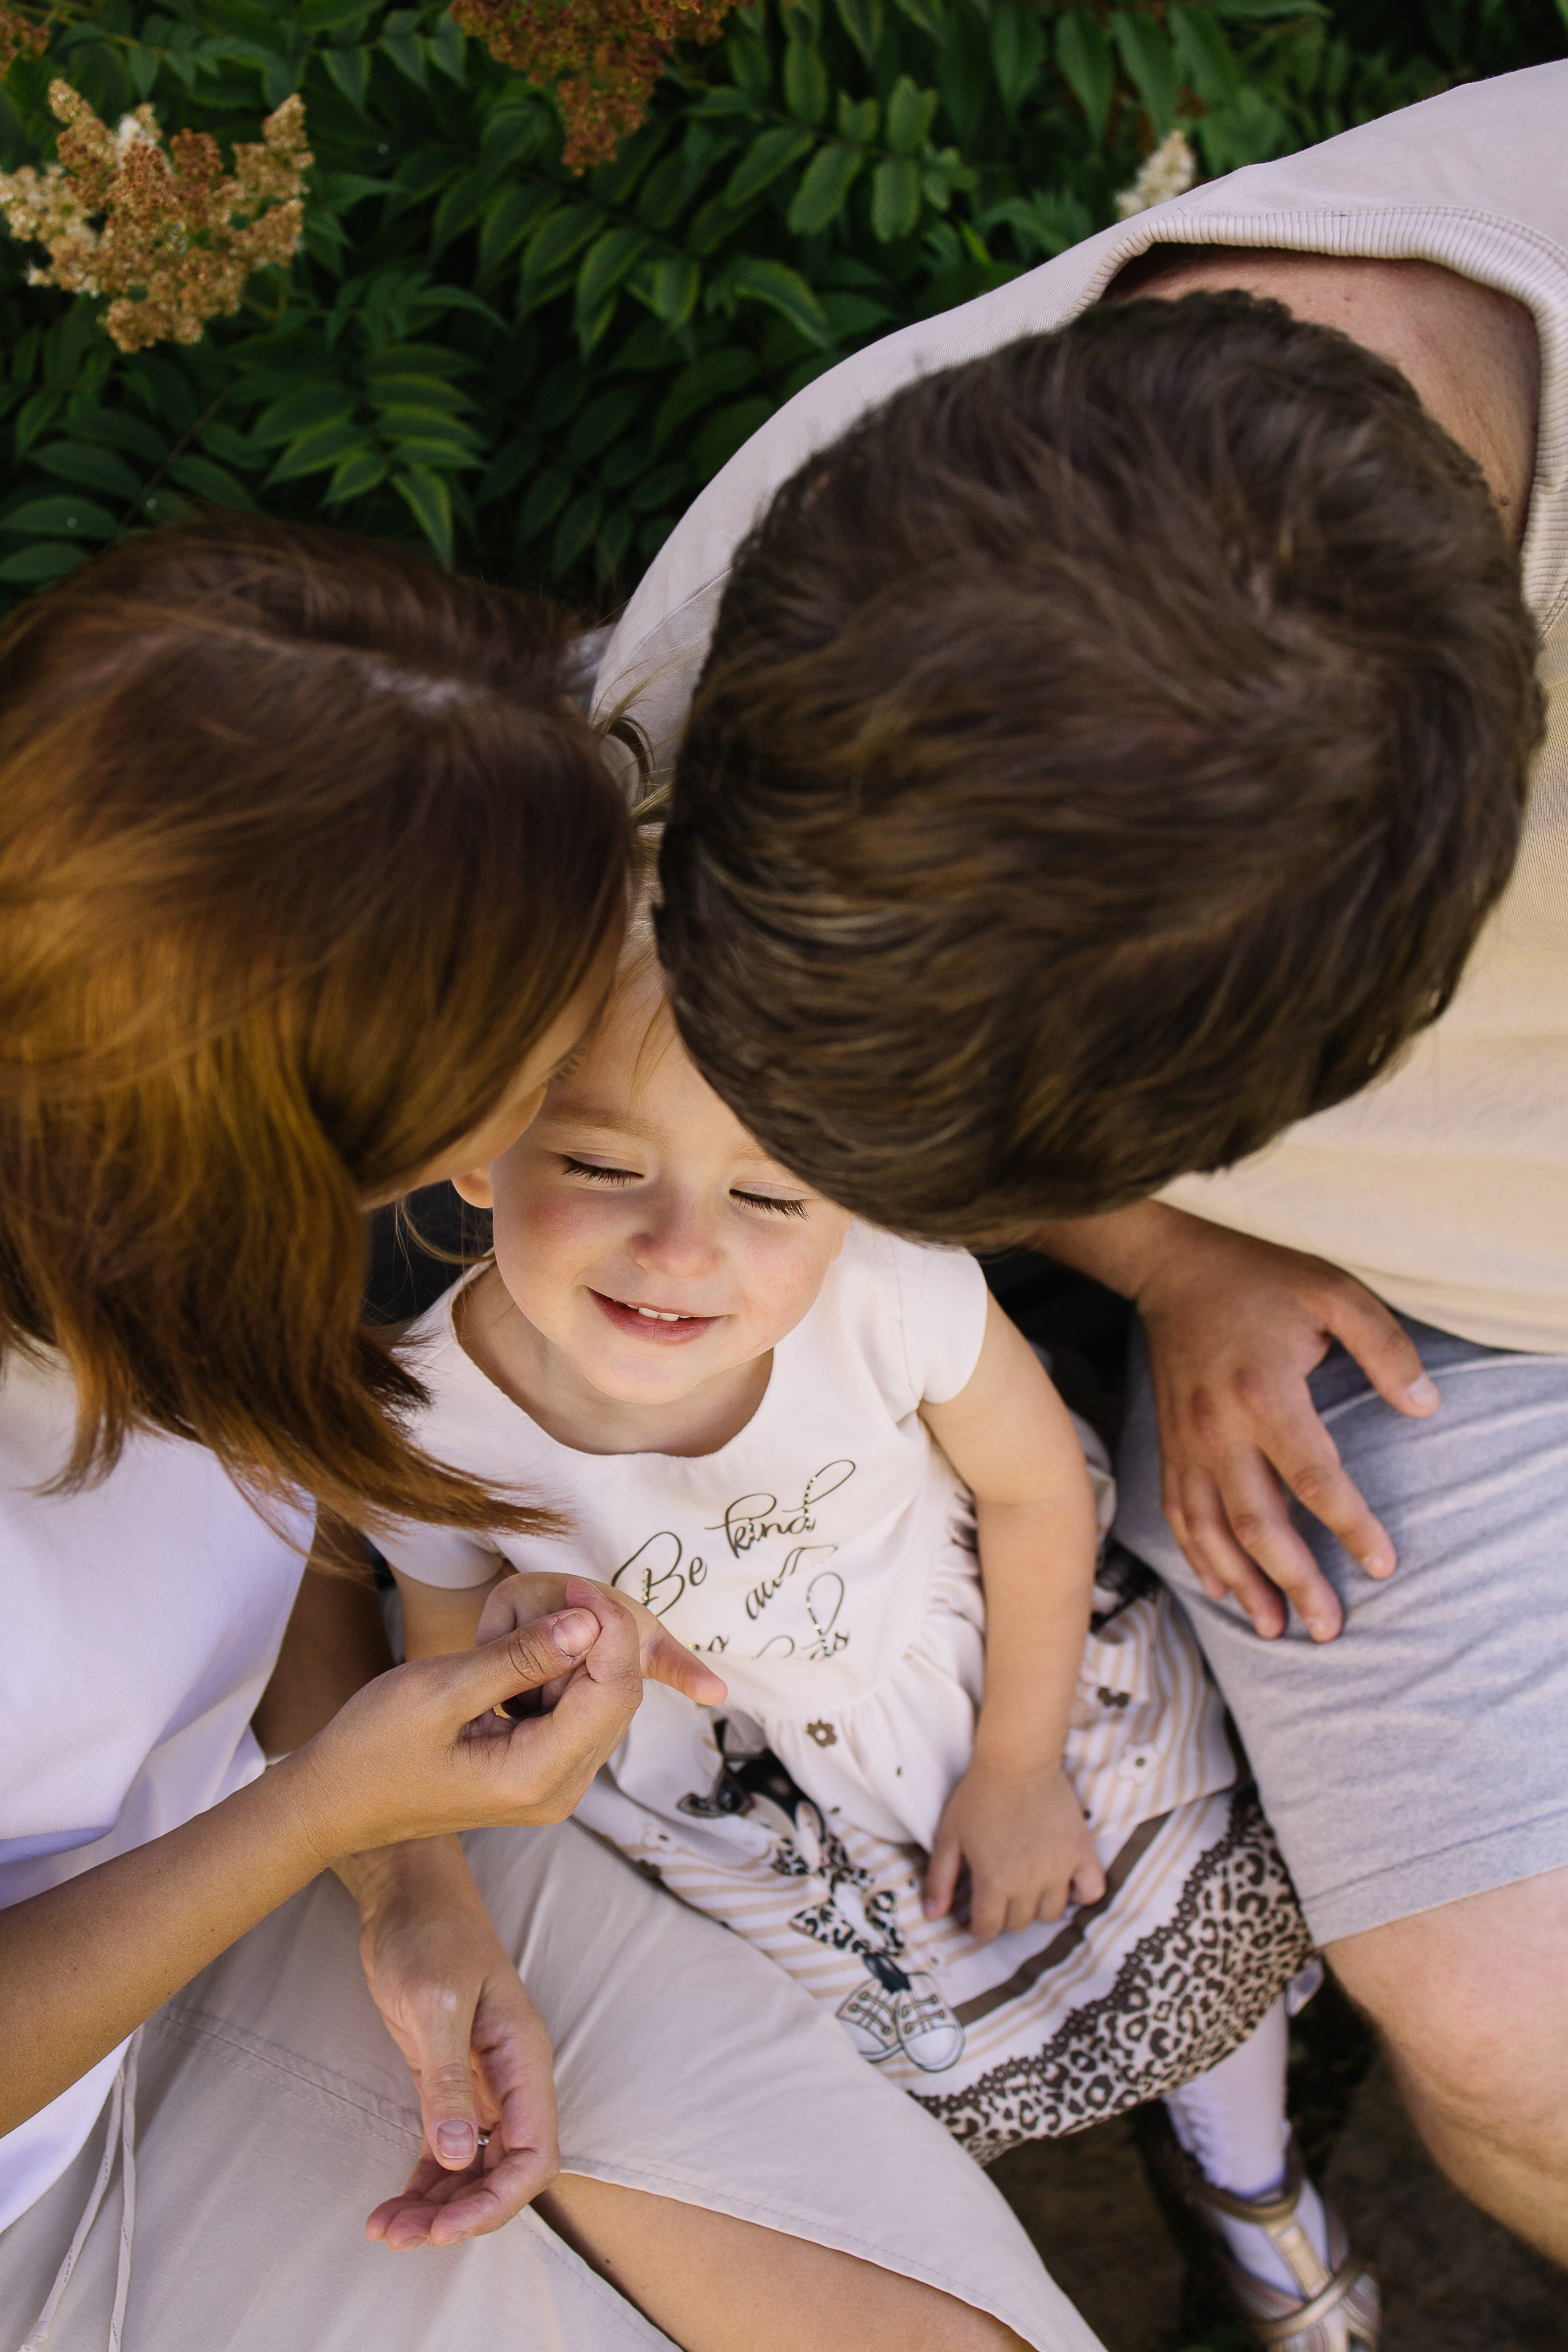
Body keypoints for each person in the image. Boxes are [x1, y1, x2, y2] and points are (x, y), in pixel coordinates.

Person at [590, 62, 1568, 2270]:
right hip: (1426, 1327)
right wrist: (1165, 1253)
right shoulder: (759, 658)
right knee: (1520, 2038)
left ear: (1395, 983)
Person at [0, 516, 1098, 2352]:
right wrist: (344, 1812)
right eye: (542, 1070)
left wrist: (407, 1873)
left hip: (256, 1870)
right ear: (338, 1112)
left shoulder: (182, 1218)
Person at [375, 878, 1374, 2348]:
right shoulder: (423, 1421)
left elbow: (1036, 1497)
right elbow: (437, 1666)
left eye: (769, 1194)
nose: (678, 1249)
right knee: (872, 2070)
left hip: (1003, 1683)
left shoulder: (891, 1287)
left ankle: (1249, 2178)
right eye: (597, 1163)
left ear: (845, 1192)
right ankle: (966, 2271)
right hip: (740, 1811)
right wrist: (523, 1655)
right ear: (477, 1149)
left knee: (1179, 1962)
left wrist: (1019, 1766)